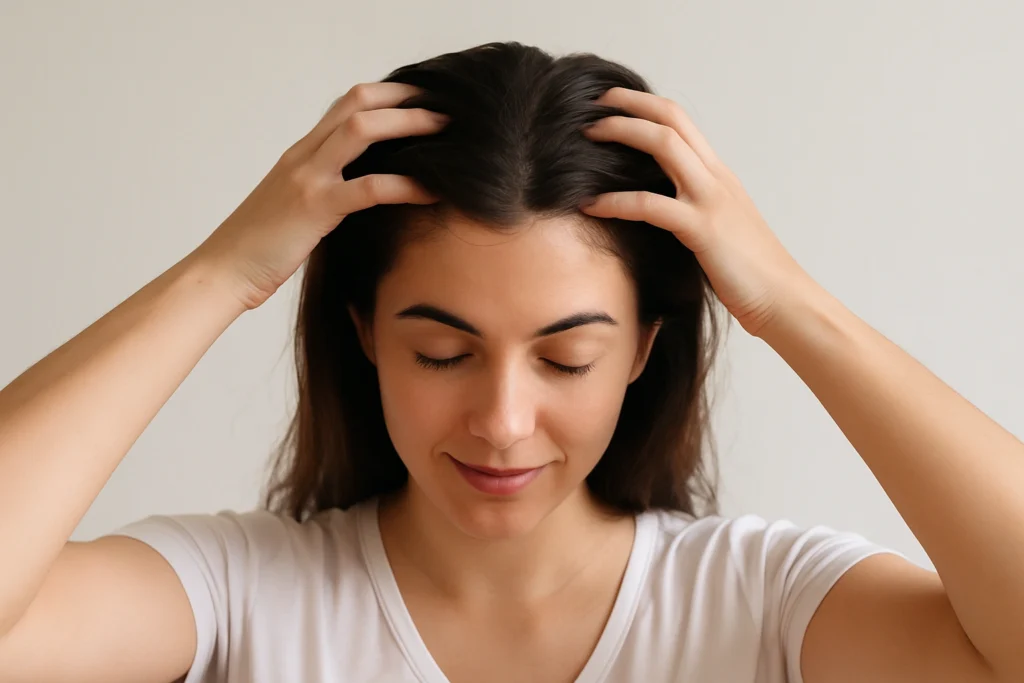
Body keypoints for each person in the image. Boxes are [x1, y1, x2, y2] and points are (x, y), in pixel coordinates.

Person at [0, 40, 1020, 683]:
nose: (501, 417)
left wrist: (790, 304)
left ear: (643, 351)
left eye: (566, 358)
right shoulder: (238, 594)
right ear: (363, 332)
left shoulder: (762, 599)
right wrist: (221, 272)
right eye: (443, 351)